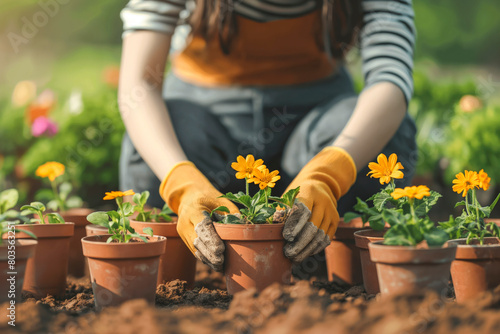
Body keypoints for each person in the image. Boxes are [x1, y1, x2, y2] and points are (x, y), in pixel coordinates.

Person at [118, 0, 417, 271]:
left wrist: (329, 173)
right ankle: (187, 271)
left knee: (385, 138)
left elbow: (389, 78)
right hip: (204, 125)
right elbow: (138, 85)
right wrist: (180, 182)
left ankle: (324, 265)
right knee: (149, 152)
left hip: (317, 116)